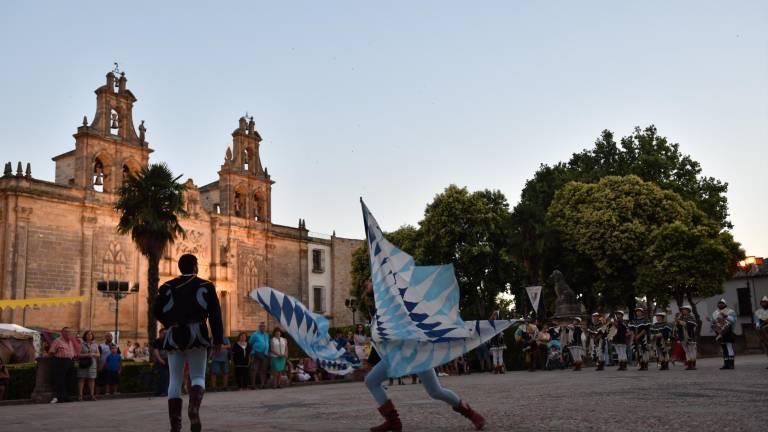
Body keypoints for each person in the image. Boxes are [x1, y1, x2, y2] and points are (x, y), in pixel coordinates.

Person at [153, 253, 224, 432]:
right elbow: (215, 315)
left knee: (174, 380)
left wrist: (169, 323)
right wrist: (218, 339)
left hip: (174, 334)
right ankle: (193, 409)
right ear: (194, 267)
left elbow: (156, 310)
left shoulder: (167, 286)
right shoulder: (206, 286)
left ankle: (175, 426)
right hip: (197, 334)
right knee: (198, 377)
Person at [48, 327, 76, 403]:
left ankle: (67, 397)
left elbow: (72, 352)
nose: (68, 333)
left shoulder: (70, 342)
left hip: (70, 361)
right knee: (60, 380)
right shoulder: (57, 341)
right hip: (60, 361)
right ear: (62, 333)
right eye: (66, 332)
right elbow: (51, 352)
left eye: (69, 332)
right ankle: (60, 397)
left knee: (69, 380)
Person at [711, 298, 737, 370]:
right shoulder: (715, 312)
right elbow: (713, 322)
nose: (720, 304)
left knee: (729, 347)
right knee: (724, 348)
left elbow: (734, 320)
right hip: (719, 332)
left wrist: (726, 316)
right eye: (719, 303)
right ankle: (726, 364)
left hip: (728, 331)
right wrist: (713, 325)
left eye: (722, 303)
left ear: (725, 304)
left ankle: (731, 364)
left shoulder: (730, 311)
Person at [77, 330, 99, 401]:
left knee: (92, 379)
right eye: (88, 334)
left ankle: (92, 395)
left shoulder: (95, 344)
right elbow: (78, 354)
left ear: (92, 336)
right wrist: (87, 354)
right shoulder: (81, 344)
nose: (89, 336)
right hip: (83, 364)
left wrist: (93, 354)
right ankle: (80, 396)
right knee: (82, 379)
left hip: (92, 364)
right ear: (85, 336)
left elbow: (98, 354)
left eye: (91, 334)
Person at [675, 304, 698, 370]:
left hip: (690, 336)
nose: (683, 311)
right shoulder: (681, 317)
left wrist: (681, 322)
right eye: (682, 310)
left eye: (684, 309)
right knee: (686, 351)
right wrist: (677, 322)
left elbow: (692, 325)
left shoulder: (691, 317)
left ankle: (693, 364)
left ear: (688, 310)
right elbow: (678, 327)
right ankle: (689, 364)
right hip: (682, 336)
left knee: (692, 350)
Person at [248, 322, 270, 389]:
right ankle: (253, 385)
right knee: (254, 369)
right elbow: (250, 343)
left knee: (263, 369)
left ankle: (262, 384)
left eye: (264, 326)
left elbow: (267, 343)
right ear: (259, 327)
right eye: (261, 326)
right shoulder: (255, 334)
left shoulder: (266, 335)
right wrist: (254, 350)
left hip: (264, 354)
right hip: (256, 353)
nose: (263, 327)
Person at [153, 328, 170, 397]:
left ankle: (165, 391)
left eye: (166, 333)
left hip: (168, 360)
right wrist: (160, 360)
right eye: (164, 333)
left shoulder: (168, 341)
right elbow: (156, 352)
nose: (165, 335)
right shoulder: (157, 341)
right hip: (160, 361)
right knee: (160, 376)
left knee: (166, 376)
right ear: (160, 334)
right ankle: (159, 391)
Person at [755, 296, 768, 369]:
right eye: (762, 302)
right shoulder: (758, 312)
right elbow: (756, 320)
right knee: (766, 347)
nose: (764, 303)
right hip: (763, 330)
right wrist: (757, 325)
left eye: (765, 302)